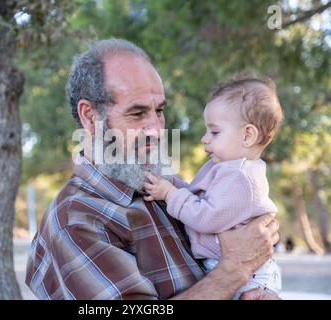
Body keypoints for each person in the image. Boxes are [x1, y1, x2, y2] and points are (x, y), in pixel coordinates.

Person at [25, 38, 279, 300]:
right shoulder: (75, 221)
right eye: (137, 114)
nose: (157, 129)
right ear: (90, 117)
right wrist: (236, 268)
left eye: (159, 111)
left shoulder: (160, 184)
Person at [143, 74, 284, 299]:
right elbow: (196, 193)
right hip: (226, 264)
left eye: (214, 131)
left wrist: (170, 194)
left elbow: (206, 216)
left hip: (252, 278)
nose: (204, 139)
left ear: (247, 135)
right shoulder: (224, 167)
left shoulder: (241, 177)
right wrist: (173, 184)